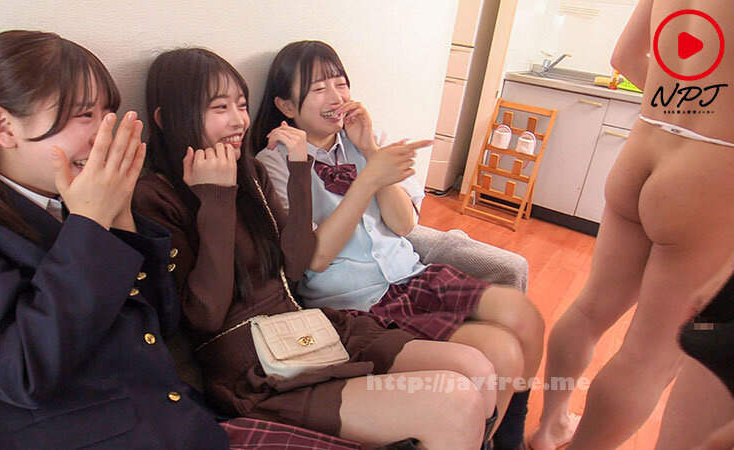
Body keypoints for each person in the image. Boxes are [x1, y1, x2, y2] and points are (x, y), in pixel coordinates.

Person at [0, 30, 369, 450]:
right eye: (83, 115)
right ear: (4, 126)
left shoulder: (78, 196)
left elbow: (160, 322)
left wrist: (121, 220)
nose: (104, 135)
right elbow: (23, 369)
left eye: (107, 114)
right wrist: (91, 223)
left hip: (182, 419)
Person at [132, 47, 501, 449]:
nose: (239, 120)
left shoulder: (250, 172)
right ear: (167, 119)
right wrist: (216, 202)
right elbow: (205, 315)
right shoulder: (155, 197)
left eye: (241, 104)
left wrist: (298, 169)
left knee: (476, 368)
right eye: (220, 107)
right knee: (454, 403)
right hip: (254, 367)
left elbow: (295, 266)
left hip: (306, 329)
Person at [251, 40, 544, 449]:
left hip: (411, 275)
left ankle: (507, 440)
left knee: (525, 318)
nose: (335, 97)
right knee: (502, 354)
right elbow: (314, 258)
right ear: (285, 106)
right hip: (357, 301)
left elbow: (404, 224)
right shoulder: (274, 164)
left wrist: (371, 151)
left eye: (340, 83)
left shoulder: (368, 139)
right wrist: (369, 180)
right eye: (318, 88)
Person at [530, 1, 734, 448]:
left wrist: (680, 107)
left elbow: (624, 57)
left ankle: (548, 429)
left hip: (645, 143)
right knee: (648, 357)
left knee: (589, 310)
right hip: (715, 167)